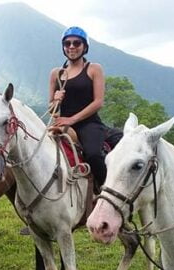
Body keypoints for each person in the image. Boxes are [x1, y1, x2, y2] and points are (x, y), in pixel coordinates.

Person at [49, 26, 107, 191]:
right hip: (62, 123)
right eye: (67, 43)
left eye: (76, 43)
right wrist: (55, 100)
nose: (71, 47)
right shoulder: (56, 73)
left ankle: (104, 190)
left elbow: (98, 102)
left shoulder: (94, 69)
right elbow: (52, 109)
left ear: (84, 46)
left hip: (89, 124)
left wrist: (72, 119)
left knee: (94, 155)